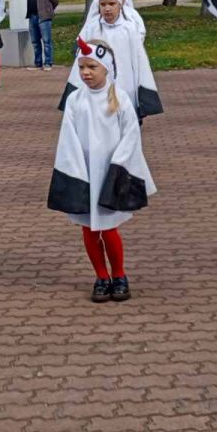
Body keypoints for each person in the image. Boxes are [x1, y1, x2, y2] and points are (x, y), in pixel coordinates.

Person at [48, 37, 155, 303]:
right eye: (81, 67)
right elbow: (68, 138)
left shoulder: (120, 99)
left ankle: (119, 275)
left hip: (110, 173)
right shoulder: (75, 100)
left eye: (92, 67)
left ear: (106, 68)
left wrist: (118, 168)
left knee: (107, 228)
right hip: (85, 173)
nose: (86, 72)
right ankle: (101, 276)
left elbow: (131, 136)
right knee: (89, 229)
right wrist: (75, 172)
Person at [59, 0, 163, 120]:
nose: (107, 8)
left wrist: (143, 92)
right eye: (103, 4)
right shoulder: (92, 27)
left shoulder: (129, 29)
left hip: (126, 82)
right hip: (98, 84)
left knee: (124, 118)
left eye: (112, 4)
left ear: (120, 4)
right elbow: (81, 56)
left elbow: (139, 60)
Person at [26, 0, 58, 71]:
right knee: (35, 42)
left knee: (46, 41)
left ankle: (48, 63)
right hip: (32, 16)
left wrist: (48, 10)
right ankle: (38, 63)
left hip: (44, 17)